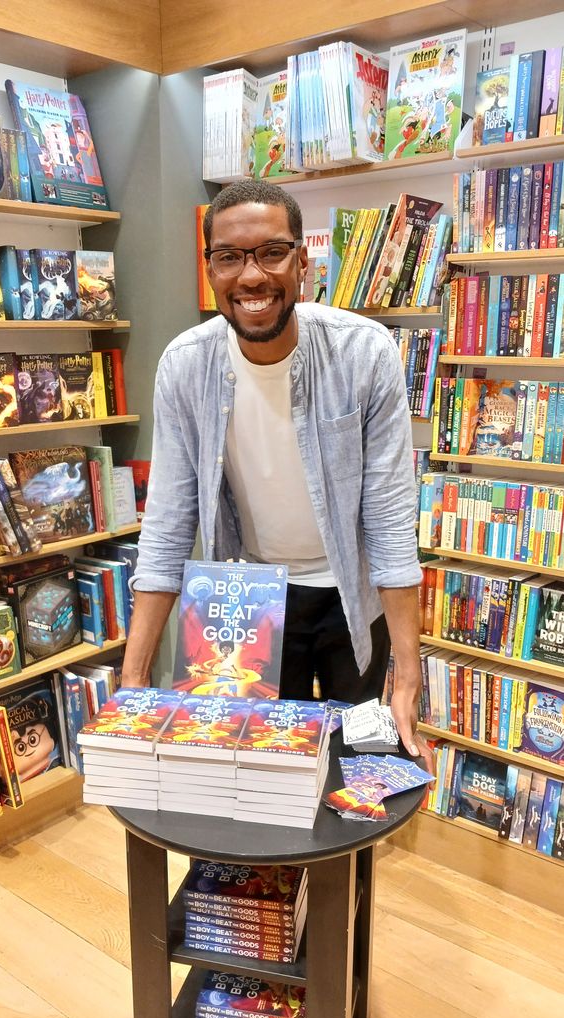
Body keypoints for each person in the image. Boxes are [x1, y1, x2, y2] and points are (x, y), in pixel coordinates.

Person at [122, 179, 431, 768]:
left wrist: (409, 677)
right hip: (250, 601)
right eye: (230, 257)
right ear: (210, 268)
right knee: (258, 771)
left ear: (301, 262)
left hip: (352, 602)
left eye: (271, 252)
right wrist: (134, 676)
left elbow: (391, 519)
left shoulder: (364, 353)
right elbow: (166, 525)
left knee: (356, 770)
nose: (252, 277)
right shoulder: (185, 366)